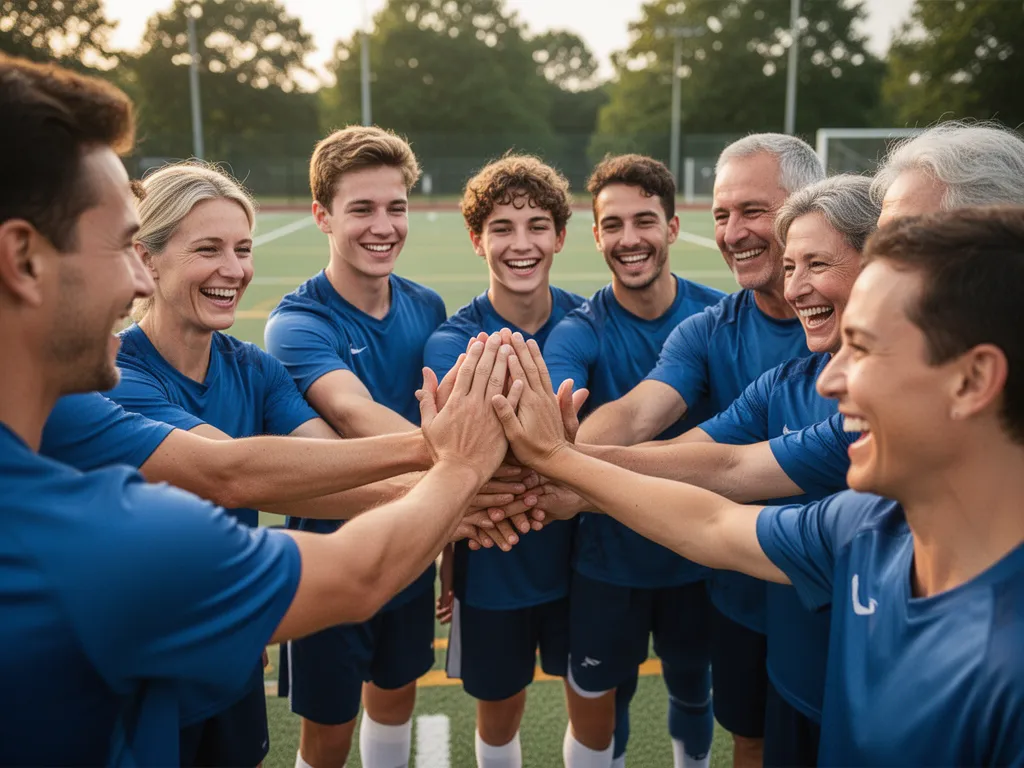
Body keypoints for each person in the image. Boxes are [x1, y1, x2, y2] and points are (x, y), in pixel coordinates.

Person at [0, 52, 515, 766]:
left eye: (242, 249)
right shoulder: (95, 424)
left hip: (225, 670)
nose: (238, 269)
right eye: (124, 247)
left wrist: (470, 496)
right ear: (24, 259)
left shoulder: (250, 369)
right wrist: (452, 459)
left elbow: (323, 469)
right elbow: (232, 473)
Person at [494, 205, 1024, 765]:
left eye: (865, 349)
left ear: (972, 380)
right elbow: (712, 520)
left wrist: (558, 467)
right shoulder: (863, 526)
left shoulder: (1005, 660)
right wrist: (557, 463)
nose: (835, 379)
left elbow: (730, 478)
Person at [570, 134, 824, 767]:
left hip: (844, 588)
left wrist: (559, 475)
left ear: (807, 207)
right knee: (751, 740)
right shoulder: (710, 328)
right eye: (722, 214)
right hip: (742, 588)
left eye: (753, 211)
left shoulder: (865, 322)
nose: (734, 232)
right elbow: (639, 416)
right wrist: (552, 459)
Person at [503, 154, 721, 768]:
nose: (630, 239)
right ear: (595, 235)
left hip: (698, 554)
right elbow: (557, 425)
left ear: (674, 228)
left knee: (693, 689)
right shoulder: (579, 329)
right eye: (614, 225)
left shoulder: (717, 317)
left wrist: (581, 464)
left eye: (645, 221)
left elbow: (573, 452)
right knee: (603, 700)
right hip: (608, 562)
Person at [264, 125, 450, 768]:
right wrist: (472, 467)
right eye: (361, 209)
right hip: (329, 558)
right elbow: (355, 411)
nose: (383, 226)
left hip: (409, 545)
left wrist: (447, 531)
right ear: (322, 215)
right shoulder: (296, 322)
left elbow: (442, 411)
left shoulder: (427, 306)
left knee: (395, 698)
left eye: (395, 207)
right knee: (328, 737)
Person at [422, 154, 585, 768]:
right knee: (498, 713)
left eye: (538, 225)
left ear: (561, 236)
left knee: (594, 703)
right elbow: (456, 459)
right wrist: (446, 553)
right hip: (493, 563)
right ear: (475, 239)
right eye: (502, 228)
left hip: (581, 559)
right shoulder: (451, 340)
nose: (522, 244)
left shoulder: (588, 322)